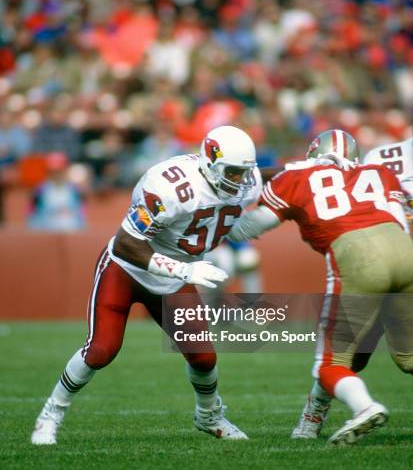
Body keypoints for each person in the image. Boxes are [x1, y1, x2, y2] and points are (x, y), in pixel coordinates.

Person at [31, 125, 262, 445]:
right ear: (211, 163)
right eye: (233, 172)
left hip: (170, 278)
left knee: (203, 356)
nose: (240, 181)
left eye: (243, 173)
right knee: (101, 350)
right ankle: (50, 414)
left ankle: (209, 416)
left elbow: (271, 176)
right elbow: (127, 244)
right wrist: (182, 270)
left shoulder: (244, 182)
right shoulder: (170, 188)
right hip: (125, 269)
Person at [229, 129, 413, 445]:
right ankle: (312, 420)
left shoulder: (297, 176)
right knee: (409, 356)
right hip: (406, 252)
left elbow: (254, 224)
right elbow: (399, 218)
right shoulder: (379, 171)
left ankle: (364, 407)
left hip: (357, 257)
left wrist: (225, 229)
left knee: (330, 364)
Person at [291, 136, 413, 440]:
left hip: (389, 265)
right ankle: (313, 414)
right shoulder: (382, 156)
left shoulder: (383, 155)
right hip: (382, 261)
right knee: (352, 355)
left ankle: (313, 417)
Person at [27, 152, 86, 232]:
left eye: (59, 171)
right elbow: (32, 214)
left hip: (71, 230)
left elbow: (81, 214)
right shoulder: (40, 190)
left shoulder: (75, 190)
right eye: (53, 171)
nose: (56, 174)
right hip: (45, 230)